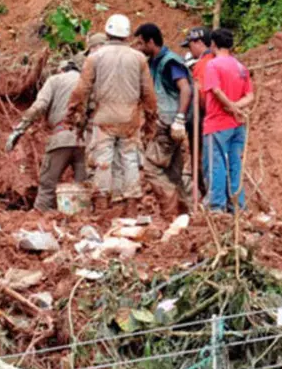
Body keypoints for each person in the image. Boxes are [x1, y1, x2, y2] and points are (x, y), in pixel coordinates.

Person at [66, 15, 158, 212]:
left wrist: (73, 111)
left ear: (107, 32)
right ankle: (131, 207)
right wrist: (151, 119)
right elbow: (148, 93)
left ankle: (101, 208)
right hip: (130, 119)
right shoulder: (139, 58)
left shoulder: (95, 57)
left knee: (103, 162)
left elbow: (82, 89)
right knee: (130, 160)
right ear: (126, 35)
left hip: (104, 118)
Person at [5, 60, 87, 212]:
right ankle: (79, 221)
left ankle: (39, 216)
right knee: (82, 188)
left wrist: (20, 129)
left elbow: (40, 106)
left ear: (61, 70)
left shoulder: (55, 80)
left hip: (61, 137)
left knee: (47, 185)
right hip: (86, 140)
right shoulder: (88, 81)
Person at [134, 23, 193, 217]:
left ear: (152, 41)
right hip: (167, 123)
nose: (139, 47)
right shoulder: (154, 61)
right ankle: (188, 213)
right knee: (173, 173)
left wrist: (179, 118)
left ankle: (171, 210)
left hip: (168, 123)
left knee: (151, 167)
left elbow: (185, 88)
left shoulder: (169, 62)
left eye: (141, 43)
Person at [203, 28, 254, 213]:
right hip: (237, 125)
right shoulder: (241, 67)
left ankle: (217, 208)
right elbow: (250, 95)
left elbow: (215, 90)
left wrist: (231, 106)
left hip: (217, 123)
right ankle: (238, 207)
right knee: (235, 165)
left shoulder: (213, 65)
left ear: (213, 44)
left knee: (216, 165)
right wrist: (238, 107)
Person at [181, 27, 213, 196]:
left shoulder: (202, 64)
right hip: (218, 118)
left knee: (202, 157)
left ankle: (208, 194)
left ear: (199, 42)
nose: (190, 50)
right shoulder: (220, 59)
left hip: (204, 119)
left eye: (190, 45)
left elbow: (200, 95)